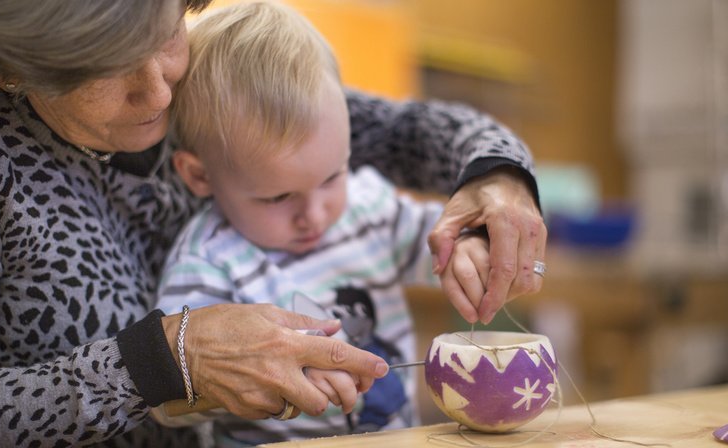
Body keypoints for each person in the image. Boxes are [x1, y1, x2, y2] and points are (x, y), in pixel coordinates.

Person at [0, 0, 545, 446]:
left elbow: (405, 133)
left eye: (166, 31)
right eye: (99, 67)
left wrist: (498, 175)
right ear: (10, 70)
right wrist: (166, 360)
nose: (162, 87)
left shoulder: (217, 90)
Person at [153, 2, 496, 444]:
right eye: (278, 197)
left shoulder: (367, 205)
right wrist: (268, 376)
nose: (314, 215)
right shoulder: (206, 264)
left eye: (332, 176)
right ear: (200, 176)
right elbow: (167, 407)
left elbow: (444, 241)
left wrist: (469, 248)